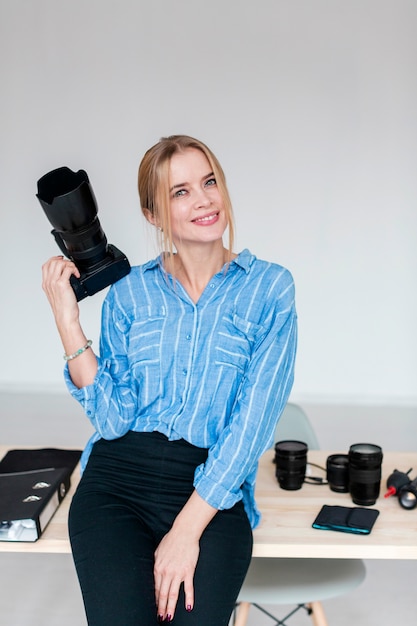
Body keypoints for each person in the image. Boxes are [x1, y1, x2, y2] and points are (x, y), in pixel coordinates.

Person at [41, 135, 297, 625]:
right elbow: (112, 419)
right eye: (180, 191)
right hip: (117, 483)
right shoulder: (128, 292)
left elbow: (252, 425)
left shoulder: (269, 288)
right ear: (153, 214)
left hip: (211, 492)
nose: (203, 199)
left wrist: (185, 531)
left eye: (209, 182)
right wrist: (67, 321)